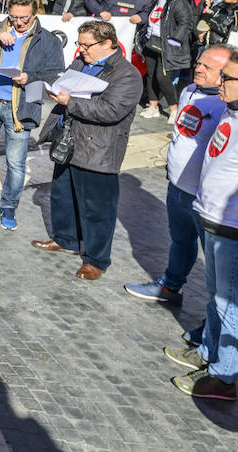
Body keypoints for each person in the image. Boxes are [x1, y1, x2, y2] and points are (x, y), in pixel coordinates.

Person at [161, 52, 238, 401]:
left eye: (228, 77)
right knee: (218, 298)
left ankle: (224, 378)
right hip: (218, 223)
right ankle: (208, 352)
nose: (221, 82)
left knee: (232, 305)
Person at [33, 20, 143, 280]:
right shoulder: (81, 63)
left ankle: (96, 259)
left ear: (108, 43)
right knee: (63, 197)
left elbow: (111, 111)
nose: (81, 49)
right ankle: (66, 239)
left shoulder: (126, 74)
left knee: (97, 209)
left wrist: (70, 102)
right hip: (69, 142)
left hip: (98, 149)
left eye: (86, 45)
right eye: (79, 44)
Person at [124, 45, 232, 304]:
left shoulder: (228, 106)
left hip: (204, 197)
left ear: (225, 75)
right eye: (199, 63)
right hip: (177, 186)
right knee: (181, 242)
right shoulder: (189, 91)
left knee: (217, 260)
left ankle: (217, 316)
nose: (198, 68)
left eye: (207, 67)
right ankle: (170, 287)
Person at [0, 0, 66, 230]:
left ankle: (9, 205)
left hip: (22, 106)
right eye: (14, 17)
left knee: (16, 163)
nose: (19, 22)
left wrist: (30, 77)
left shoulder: (48, 40)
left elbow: (56, 73)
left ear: (35, 14)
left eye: (24, 18)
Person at [139, 0, 197, 119]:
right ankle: (153, 107)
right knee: (150, 76)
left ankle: (174, 109)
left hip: (167, 46)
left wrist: (175, 41)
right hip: (151, 43)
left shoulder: (178, 1)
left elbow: (186, 23)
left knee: (162, 78)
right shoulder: (156, 0)